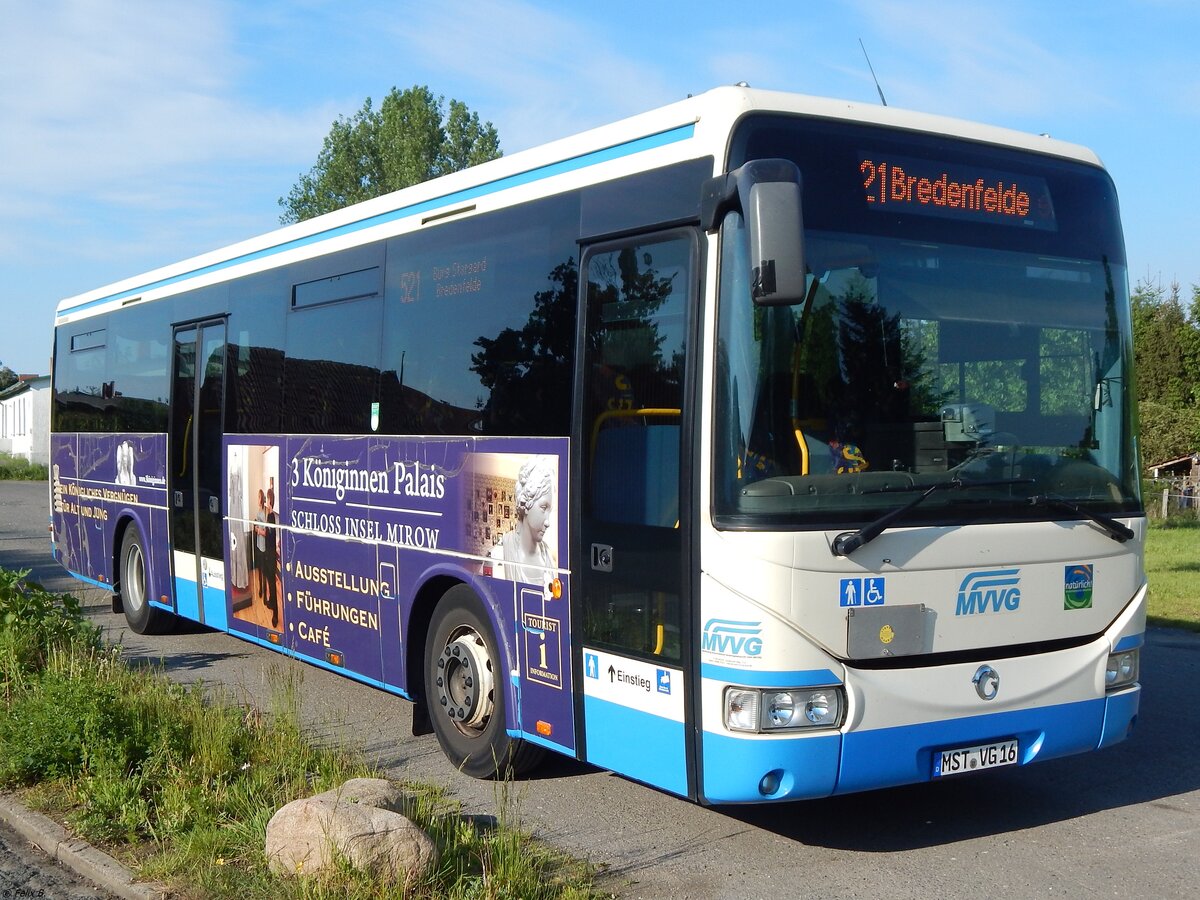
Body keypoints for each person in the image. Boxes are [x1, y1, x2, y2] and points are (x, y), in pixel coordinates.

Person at [489, 456, 557, 584]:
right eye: (543, 508)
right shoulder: (501, 553)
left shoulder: (548, 556)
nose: (548, 522)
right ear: (526, 503)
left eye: (550, 510)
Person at [262, 488, 279, 628]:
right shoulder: (269, 515)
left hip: (271, 554)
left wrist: (261, 531)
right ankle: (272, 602)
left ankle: (276, 614)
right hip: (268, 553)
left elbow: (270, 535)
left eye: (267, 499)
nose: (266, 501)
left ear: (270, 500)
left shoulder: (271, 516)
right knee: (269, 577)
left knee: (272, 583)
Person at [253, 489, 267, 601]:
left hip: (263, 546)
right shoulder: (259, 511)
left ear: (261, 498)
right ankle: (261, 588)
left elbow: (265, 532)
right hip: (258, 544)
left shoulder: (265, 513)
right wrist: (256, 527)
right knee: (259, 569)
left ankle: (264, 590)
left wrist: (258, 530)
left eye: (258, 497)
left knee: (263, 569)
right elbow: (257, 526)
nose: (257, 499)